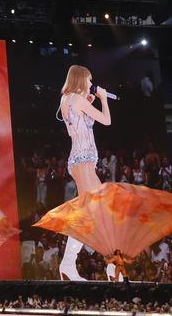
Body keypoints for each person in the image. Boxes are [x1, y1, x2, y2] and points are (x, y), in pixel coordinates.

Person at [55, 64, 111, 282]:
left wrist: (88, 103)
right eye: (88, 80)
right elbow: (106, 120)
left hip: (80, 159)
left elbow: (73, 130)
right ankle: (71, 264)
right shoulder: (77, 100)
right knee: (89, 212)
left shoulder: (66, 101)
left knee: (99, 210)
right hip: (83, 160)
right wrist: (104, 99)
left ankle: (106, 263)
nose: (91, 84)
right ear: (80, 80)